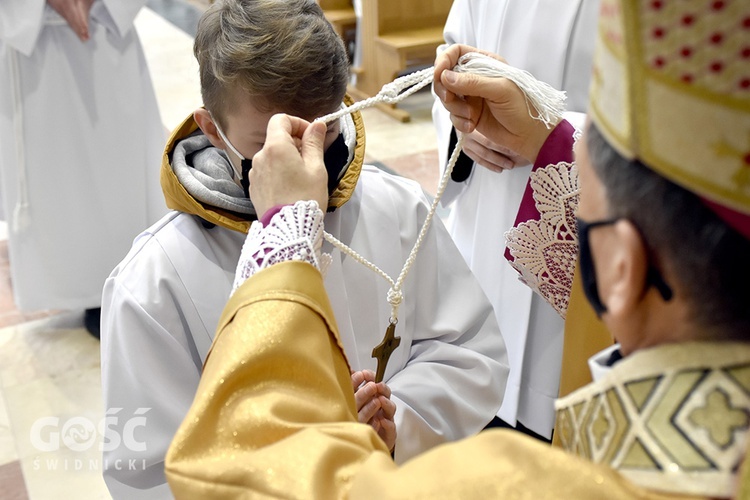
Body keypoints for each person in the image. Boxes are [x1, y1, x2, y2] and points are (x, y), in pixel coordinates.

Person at [164, 0, 750, 497]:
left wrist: (286, 227)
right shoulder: (162, 271)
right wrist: (527, 127)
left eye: (575, 183)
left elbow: (246, 466)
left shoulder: (506, 483)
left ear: (620, 268)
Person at [100, 0, 508, 497]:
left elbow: (471, 352)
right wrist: (304, 459)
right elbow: (145, 475)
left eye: (325, 130)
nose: (306, 164)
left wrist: (396, 424)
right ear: (211, 128)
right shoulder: (156, 280)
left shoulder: (396, 207)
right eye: (273, 141)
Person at [431, 0, 605, 440]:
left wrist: (550, 137)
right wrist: (461, 124)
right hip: (482, 236)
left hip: (582, 270)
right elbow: (456, 48)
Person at [0, 0, 166, 337]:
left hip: (102, 22)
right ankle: (84, 283)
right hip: (37, 37)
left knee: (118, 157)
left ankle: (126, 272)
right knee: (55, 169)